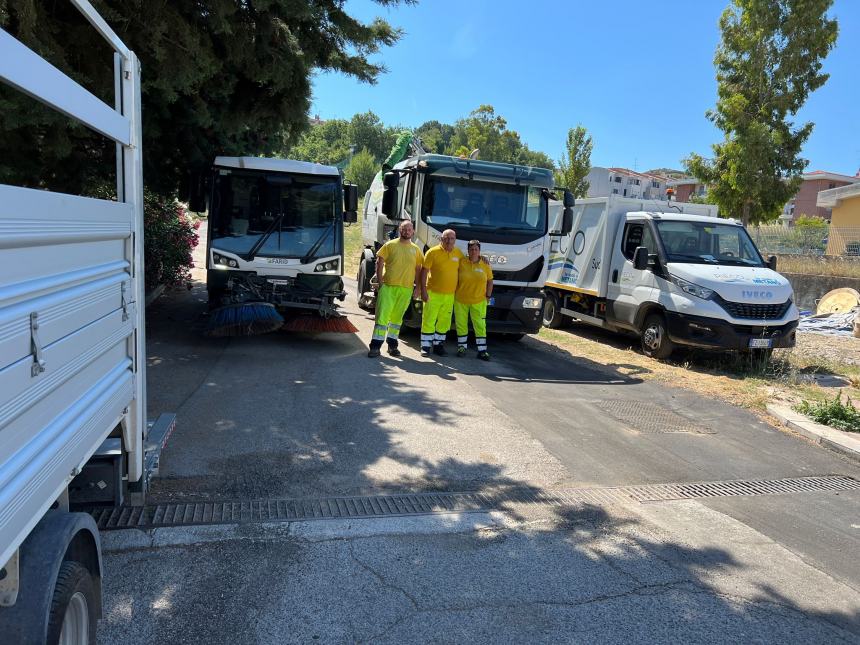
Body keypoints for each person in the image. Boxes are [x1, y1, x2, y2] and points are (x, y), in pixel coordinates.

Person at [368, 220, 423, 358]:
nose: (406, 232)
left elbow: (418, 270)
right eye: (404, 229)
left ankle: (392, 345)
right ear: (400, 230)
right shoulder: (390, 245)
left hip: (406, 289)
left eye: (409, 229)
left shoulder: (416, 249)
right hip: (388, 287)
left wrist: (418, 288)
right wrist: (381, 283)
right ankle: (375, 346)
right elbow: (379, 263)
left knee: (397, 319)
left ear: (413, 231)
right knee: (382, 318)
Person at [419, 229, 464, 356]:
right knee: (429, 319)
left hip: (450, 295)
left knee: (444, 321)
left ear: (455, 240)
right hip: (432, 293)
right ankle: (426, 347)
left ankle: (438, 346)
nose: (449, 241)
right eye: (446, 238)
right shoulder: (432, 252)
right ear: (441, 239)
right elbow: (424, 272)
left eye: (451, 238)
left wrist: (482, 258)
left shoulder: (458, 253)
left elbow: (468, 264)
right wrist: (423, 290)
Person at [454, 240, 493, 360]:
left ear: (479, 251)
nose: (474, 251)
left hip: (479, 301)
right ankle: (462, 347)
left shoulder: (485, 264)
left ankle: (482, 351)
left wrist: (488, 296)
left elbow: (490, 281)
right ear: (468, 251)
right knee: (461, 325)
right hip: (461, 300)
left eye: (476, 249)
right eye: (471, 249)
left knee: (480, 325)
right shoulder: (461, 262)